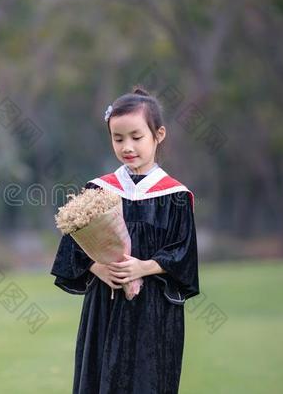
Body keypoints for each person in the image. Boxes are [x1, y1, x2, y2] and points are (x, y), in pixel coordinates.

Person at [50, 85, 200, 394]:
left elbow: (183, 254)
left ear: (158, 135)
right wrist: (98, 268)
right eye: (118, 139)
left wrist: (142, 268)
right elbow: (72, 250)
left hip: (154, 312)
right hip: (105, 305)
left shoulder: (175, 197)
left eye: (136, 137)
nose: (127, 147)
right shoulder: (99, 191)